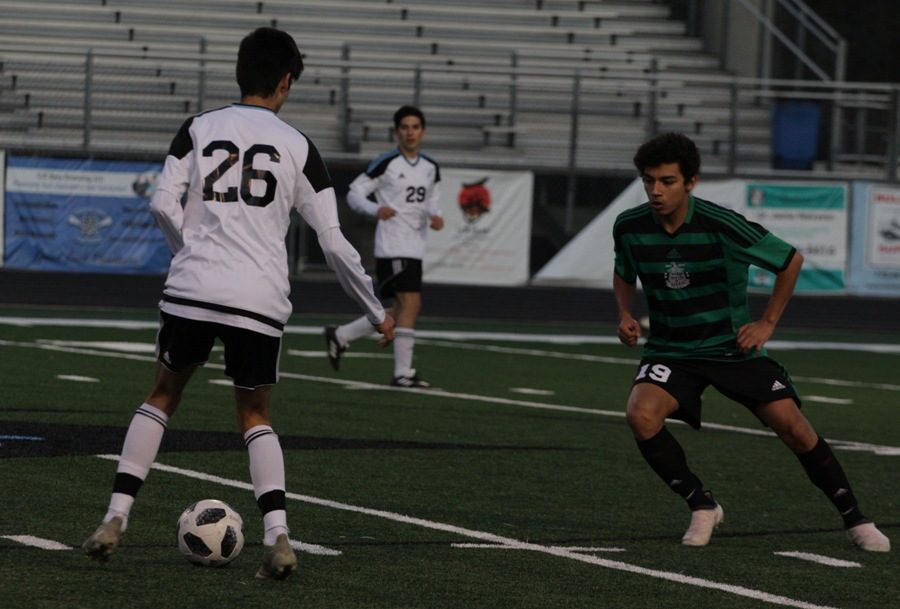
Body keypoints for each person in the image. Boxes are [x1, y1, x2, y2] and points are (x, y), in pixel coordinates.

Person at [82, 27, 395, 579]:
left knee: (161, 395)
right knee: (255, 415)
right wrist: (374, 309)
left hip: (193, 287)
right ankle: (277, 536)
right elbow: (332, 241)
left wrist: (191, 255)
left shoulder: (199, 127)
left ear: (237, 73)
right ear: (285, 81)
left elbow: (161, 204)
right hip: (259, 296)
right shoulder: (298, 146)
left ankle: (115, 517)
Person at [613, 132, 890, 552]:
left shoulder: (722, 224)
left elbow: (790, 259)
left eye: (667, 181)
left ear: (690, 182)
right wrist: (624, 312)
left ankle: (856, 519)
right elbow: (623, 270)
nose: (655, 190)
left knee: (795, 429)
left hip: (732, 349)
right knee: (641, 414)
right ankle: (702, 505)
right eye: (649, 180)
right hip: (671, 350)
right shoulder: (630, 226)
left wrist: (767, 322)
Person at [324, 105, 443, 388]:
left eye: (415, 127)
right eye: (405, 127)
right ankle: (402, 373)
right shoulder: (387, 162)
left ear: (423, 132)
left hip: (415, 245)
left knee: (403, 309)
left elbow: (432, 199)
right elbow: (354, 193)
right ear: (396, 132)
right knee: (411, 303)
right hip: (392, 246)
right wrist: (375, 209)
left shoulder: (431, 167)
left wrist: (434, 216)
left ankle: (341, 335)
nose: (410, 132)